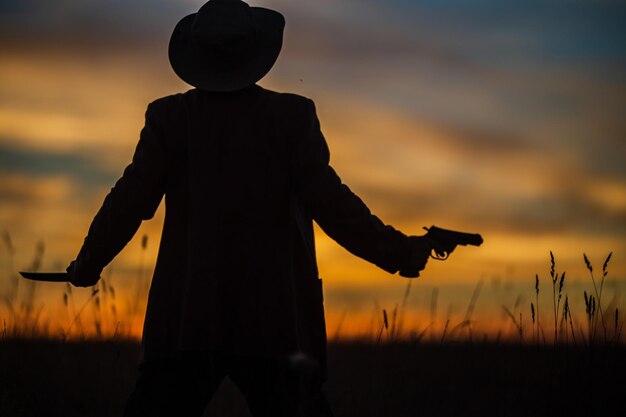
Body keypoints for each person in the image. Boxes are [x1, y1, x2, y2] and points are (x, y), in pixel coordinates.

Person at [66, 0, 432, 415]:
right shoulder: (291, 117)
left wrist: (88, 262)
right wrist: (397, 252)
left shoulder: (169, 118)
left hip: (189, 316)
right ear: (257, 54)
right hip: (274, 318)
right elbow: (333, 206)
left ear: (198, 57)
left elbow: (128, 200)